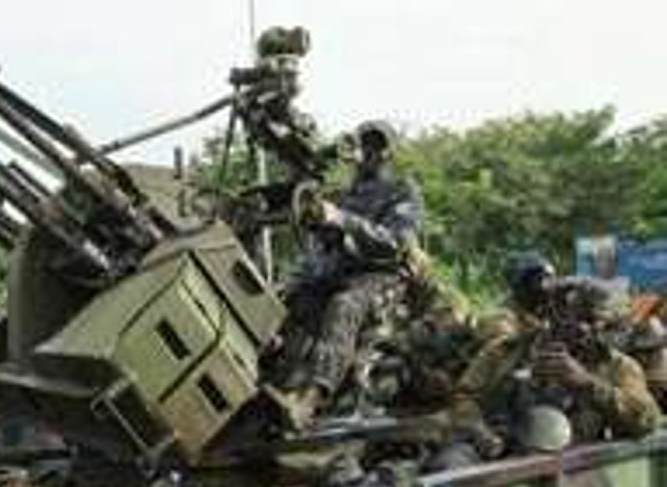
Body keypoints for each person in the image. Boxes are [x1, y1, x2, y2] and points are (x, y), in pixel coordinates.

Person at [271, 119, 425, 430]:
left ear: (388, 152)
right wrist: (319, 222)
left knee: (344, 306)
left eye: (377, 144)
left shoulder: (400, 191)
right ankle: (273, 388)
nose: (370, 151)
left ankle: (310, 399)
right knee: (286, 305)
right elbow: (319, 248)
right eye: (365, 143)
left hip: (380, 278)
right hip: (335, 274)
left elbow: (393, 243)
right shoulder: (341, 195)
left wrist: (343, 220)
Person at [451, 262, 659, 455]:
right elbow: (463, 397)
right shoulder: (504, 351)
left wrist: (587, 383)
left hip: (573, 469)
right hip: (497, 457)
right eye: (575, 319)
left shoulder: (617, 365)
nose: (585, 329)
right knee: (452, 459)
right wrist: (478, 429)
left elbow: (647, 420)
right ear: (550, 314)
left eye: (595, 321)